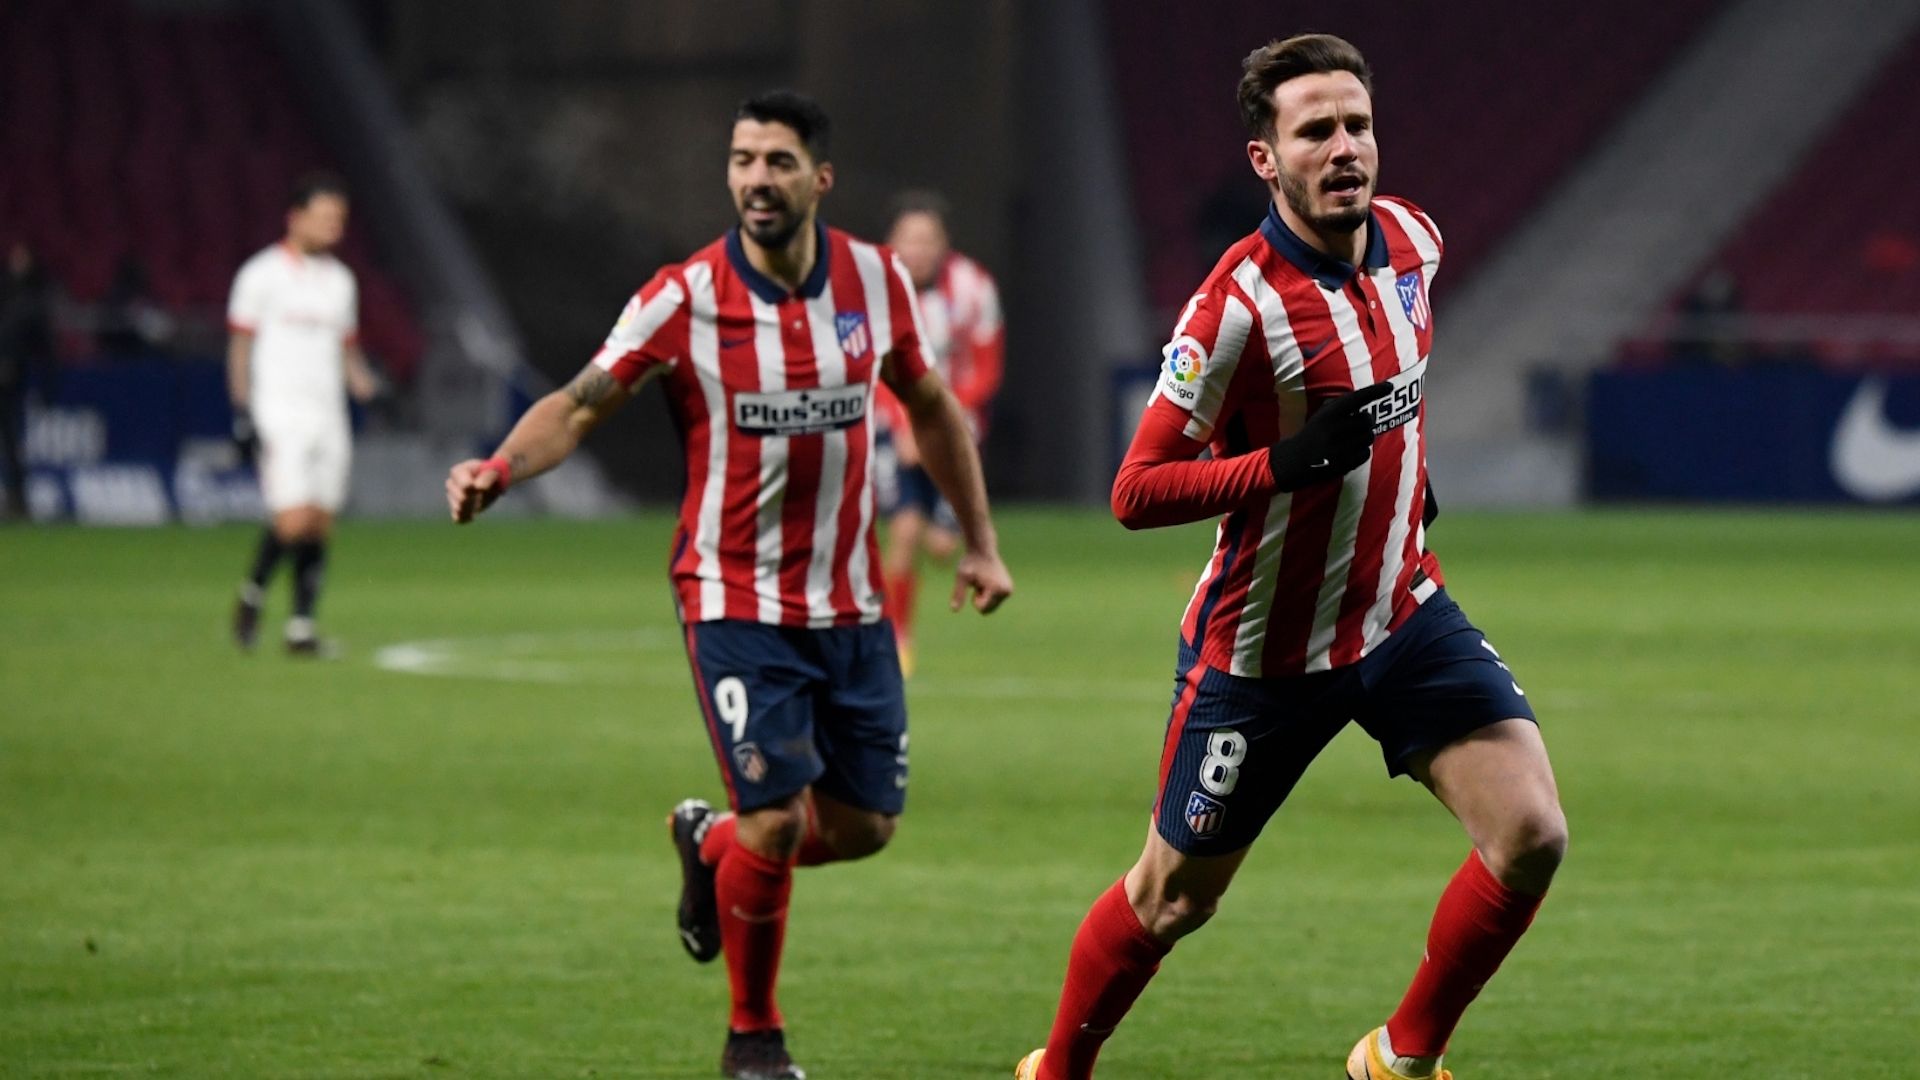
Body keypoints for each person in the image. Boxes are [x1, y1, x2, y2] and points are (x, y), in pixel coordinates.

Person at [1014, 35, 1567, 1080]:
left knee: (1531, 833)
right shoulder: (1234, 308)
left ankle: (1399, 1060)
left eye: (1358, 125)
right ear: (1266, 159)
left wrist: (1407, 486)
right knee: (1173, 899)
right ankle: (1058, 1072)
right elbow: (1134, 491)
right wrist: (1281, 464)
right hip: (1263, 654)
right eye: (1316, 131)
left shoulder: (1415, 241)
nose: (1345, 147)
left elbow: (1396, 395)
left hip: (1401, 614)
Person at [444, 90, 1013, 1080]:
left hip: (849, 601)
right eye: (744, 159)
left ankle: (709, 846)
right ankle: (754, 1037)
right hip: (732, 595)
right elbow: (578, 404)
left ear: (819, 179)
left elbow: (930, 405)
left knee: (864, 829)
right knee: (778, 818)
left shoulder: (876, 281)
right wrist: (499, 466)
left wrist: (979, 539)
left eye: (778, 161)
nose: (757, 178)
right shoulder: (683, 298)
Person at [227, 173, 381, 655]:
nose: (335, 227)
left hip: (328, 414)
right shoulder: (260, 275)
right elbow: (240, 348)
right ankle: (253, 594)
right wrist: (242, 410)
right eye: (326, 217)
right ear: (296, 217)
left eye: (340, 219)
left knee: (319, 521)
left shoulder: (341, 281)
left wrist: (365, 386)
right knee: (292, 520)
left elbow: (346, 349)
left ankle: (301, 628)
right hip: (279, 411)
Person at [873, 189, 1005, 673]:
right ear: (892, 242)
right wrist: (904, 423)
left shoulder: (973, 287)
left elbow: (987, 367)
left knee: (943, 547)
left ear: (944, 243)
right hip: (892, 427)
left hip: (955, 429)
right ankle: (897, 640)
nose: (918, 249)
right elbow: (868, 365)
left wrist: (943, 417)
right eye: (909, 238)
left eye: (928, 238)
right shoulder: (874, 288)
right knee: (904, 530)